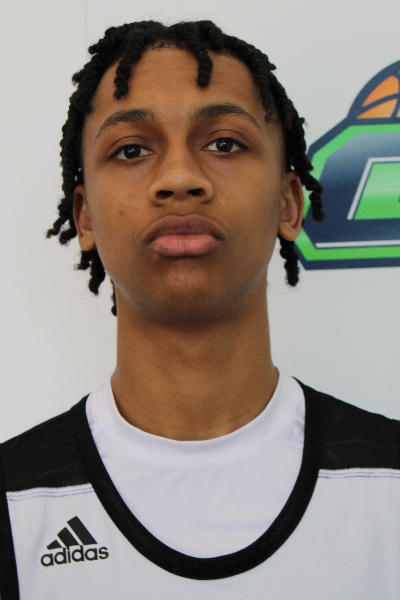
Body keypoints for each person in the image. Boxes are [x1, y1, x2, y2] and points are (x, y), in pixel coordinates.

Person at [1, 20, 399, 600]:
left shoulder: (387, 481)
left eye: (224, 144)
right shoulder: (17, 501)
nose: (180, 178)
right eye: (132, 150)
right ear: (84, 218)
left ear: (289, 204)